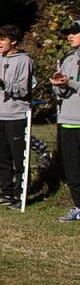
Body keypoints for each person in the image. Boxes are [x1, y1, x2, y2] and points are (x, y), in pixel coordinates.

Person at [0, 25, 34, 210]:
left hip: (16, 115)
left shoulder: (24, 60)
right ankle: (6, 193)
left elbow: (23, 90)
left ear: (13, 41)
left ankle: (21, 195)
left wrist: (3, 84)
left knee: (19, 158)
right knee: (0, 157)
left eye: (3, 39)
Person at [51, 19, 80, 222]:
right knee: (72, 168)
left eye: (74, 32)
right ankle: (78, 206)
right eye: (68, 33)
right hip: (68, 120)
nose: (70, 36)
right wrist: (59, 85)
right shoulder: (68, 58)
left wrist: (70, 82)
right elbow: (58, 92)